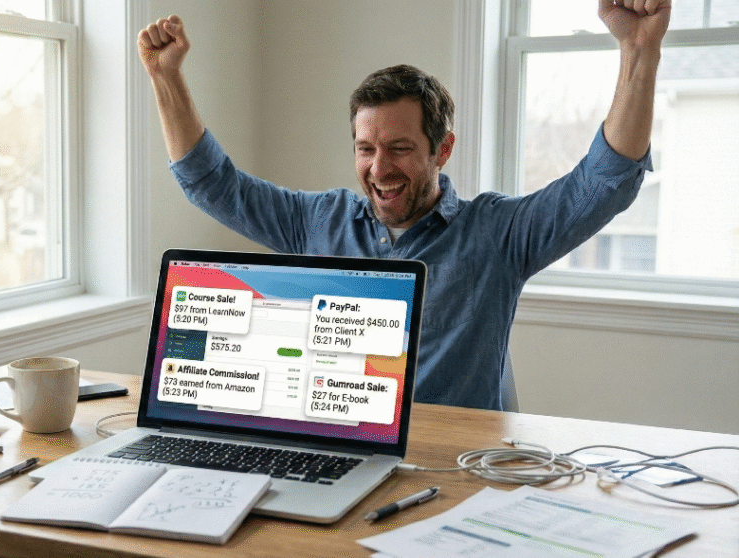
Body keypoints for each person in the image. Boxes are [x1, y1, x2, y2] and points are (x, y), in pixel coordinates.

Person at [137, 1, 671, 410]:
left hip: (455, 469)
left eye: (399, 149)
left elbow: (605, 182)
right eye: (365, 149)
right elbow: (212, 184)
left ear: (443, 149)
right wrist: (166, 78)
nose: (379, 168)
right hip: (343, 448)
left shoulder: (499, 234)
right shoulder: (319, 222)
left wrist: (639, 51)